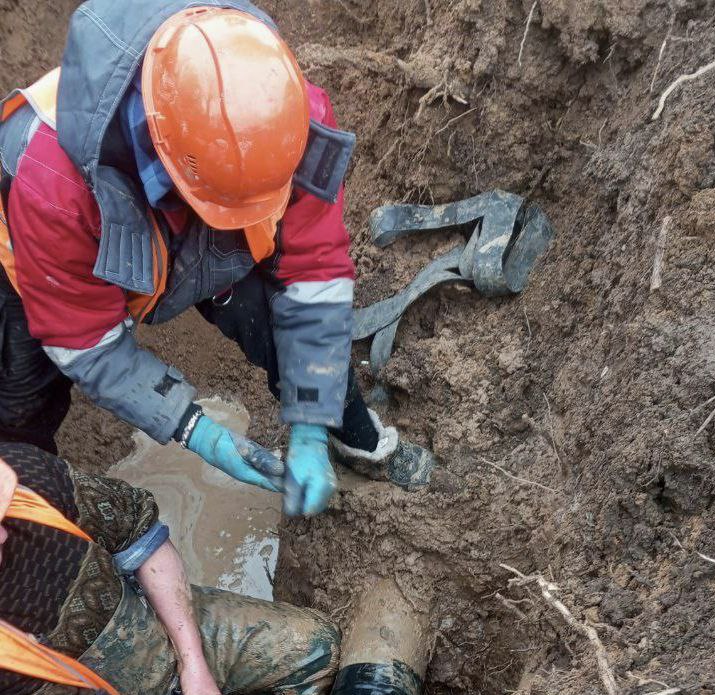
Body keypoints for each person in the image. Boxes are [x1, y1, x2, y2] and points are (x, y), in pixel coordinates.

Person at [0, 0, 433, 520]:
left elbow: (315, 275)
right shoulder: (53, 183)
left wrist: (311, 422)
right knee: (21, 409)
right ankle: (37, 521)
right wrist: (193, 429)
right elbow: (84, 340)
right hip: (34, 267)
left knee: (278, 316)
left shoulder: (284, 118)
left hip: (193, 214)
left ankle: (352, 436)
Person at [0, 442, 340, 695]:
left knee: (319, 649)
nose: (3, 534)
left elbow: (140, 538)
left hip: (157, 627)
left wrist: (192, 662)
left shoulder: (26, 483)